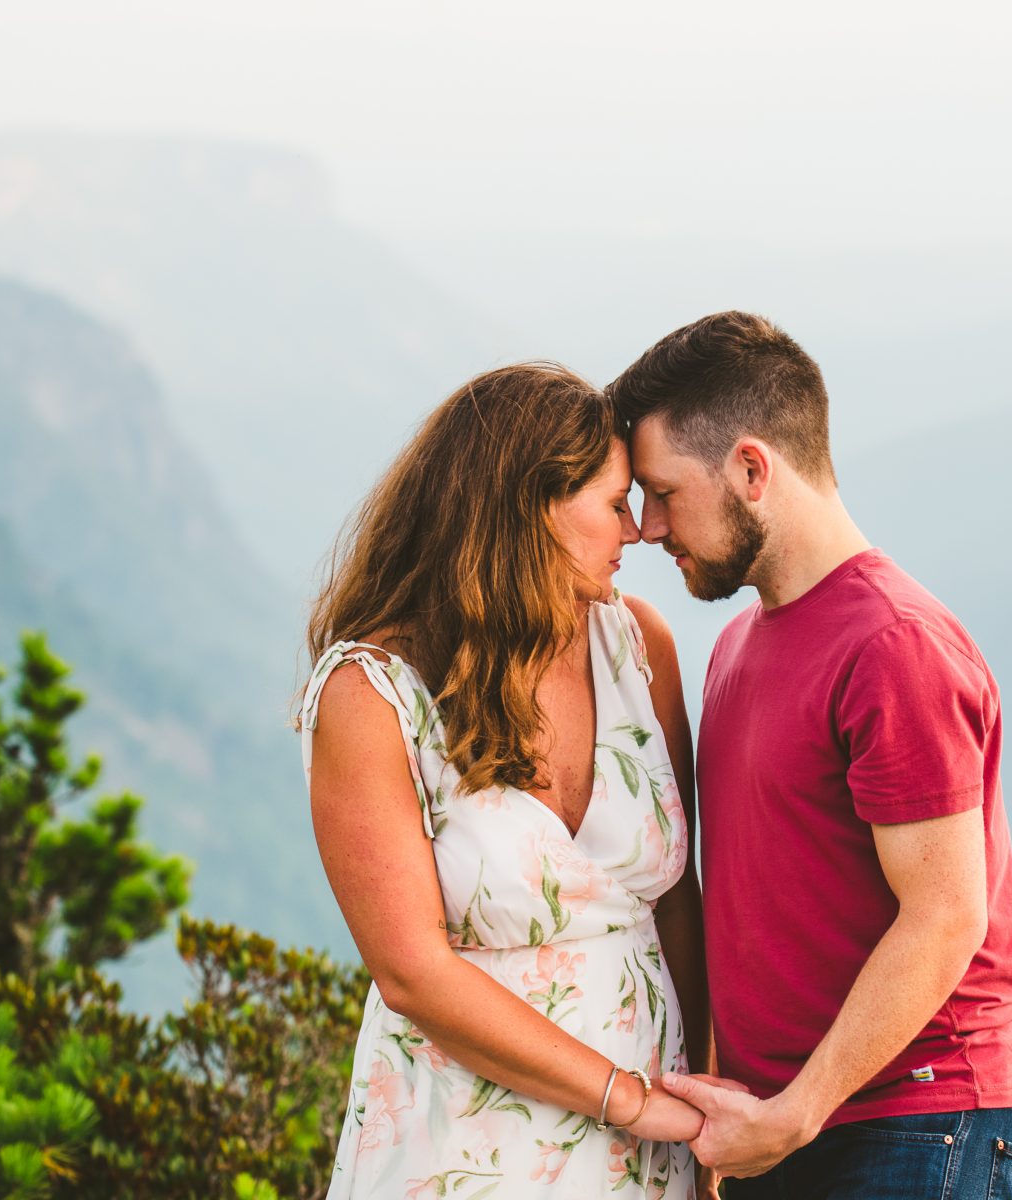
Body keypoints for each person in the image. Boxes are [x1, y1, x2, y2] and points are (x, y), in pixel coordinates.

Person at [608, 312, 1012, 1198]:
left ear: (752, 470)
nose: (648, 528)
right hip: (787, 1121)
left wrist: (796, 1111)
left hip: (916, 1120)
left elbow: (947, 915)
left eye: (663, 492)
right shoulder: (735, 647)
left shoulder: (894, 645)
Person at [298, 363, 710, 1197]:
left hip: (653, 1146)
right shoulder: (373, 692)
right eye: (614, 504)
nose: (635, 532)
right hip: (467, 1145)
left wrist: (699, 1104)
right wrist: (624, 1101)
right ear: (535, 508)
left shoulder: (638, 646)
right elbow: (411, 970)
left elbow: (677, 901)